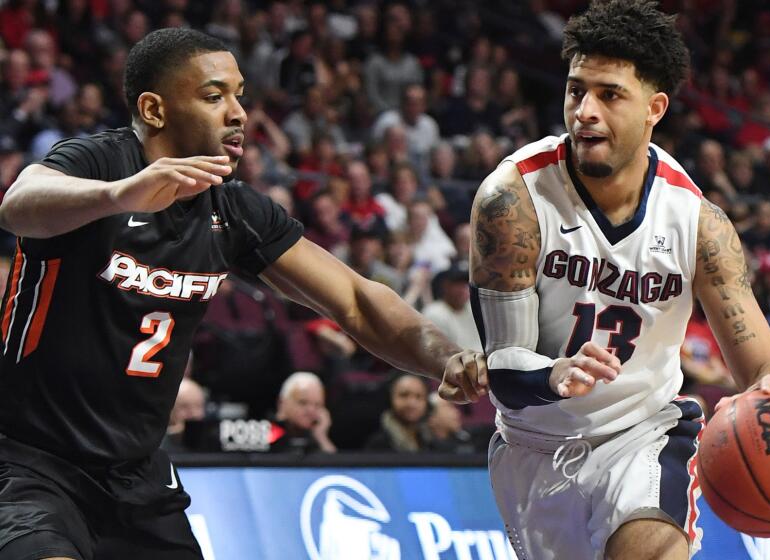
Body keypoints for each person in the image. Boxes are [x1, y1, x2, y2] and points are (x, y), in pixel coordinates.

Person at [0, 28, 486, 560]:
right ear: (154, 110)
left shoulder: (231, 211)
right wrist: (118, 196)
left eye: (239, 95)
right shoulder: (99, 163)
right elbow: (20, 203)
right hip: (27, 460)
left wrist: (446, 357)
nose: (237, 113)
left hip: (134, 475)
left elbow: (354, 299)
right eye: (214, 97)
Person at [464, 3, 770, 560]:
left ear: (654, 108)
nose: (584, 111)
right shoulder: (511, 199)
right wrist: (554, 372)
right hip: (532, 445)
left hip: (645, 434)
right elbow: (504, 367)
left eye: (609, 94)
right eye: (575, 90)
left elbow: (758, 365)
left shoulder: (698, 222)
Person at [270, 371, 335, 454]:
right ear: (282, 403)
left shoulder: (316, 436)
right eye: (303, 402)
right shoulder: (266, 434)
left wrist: (321, 437)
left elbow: (333, 465)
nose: (311, 411)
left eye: (317, 405)